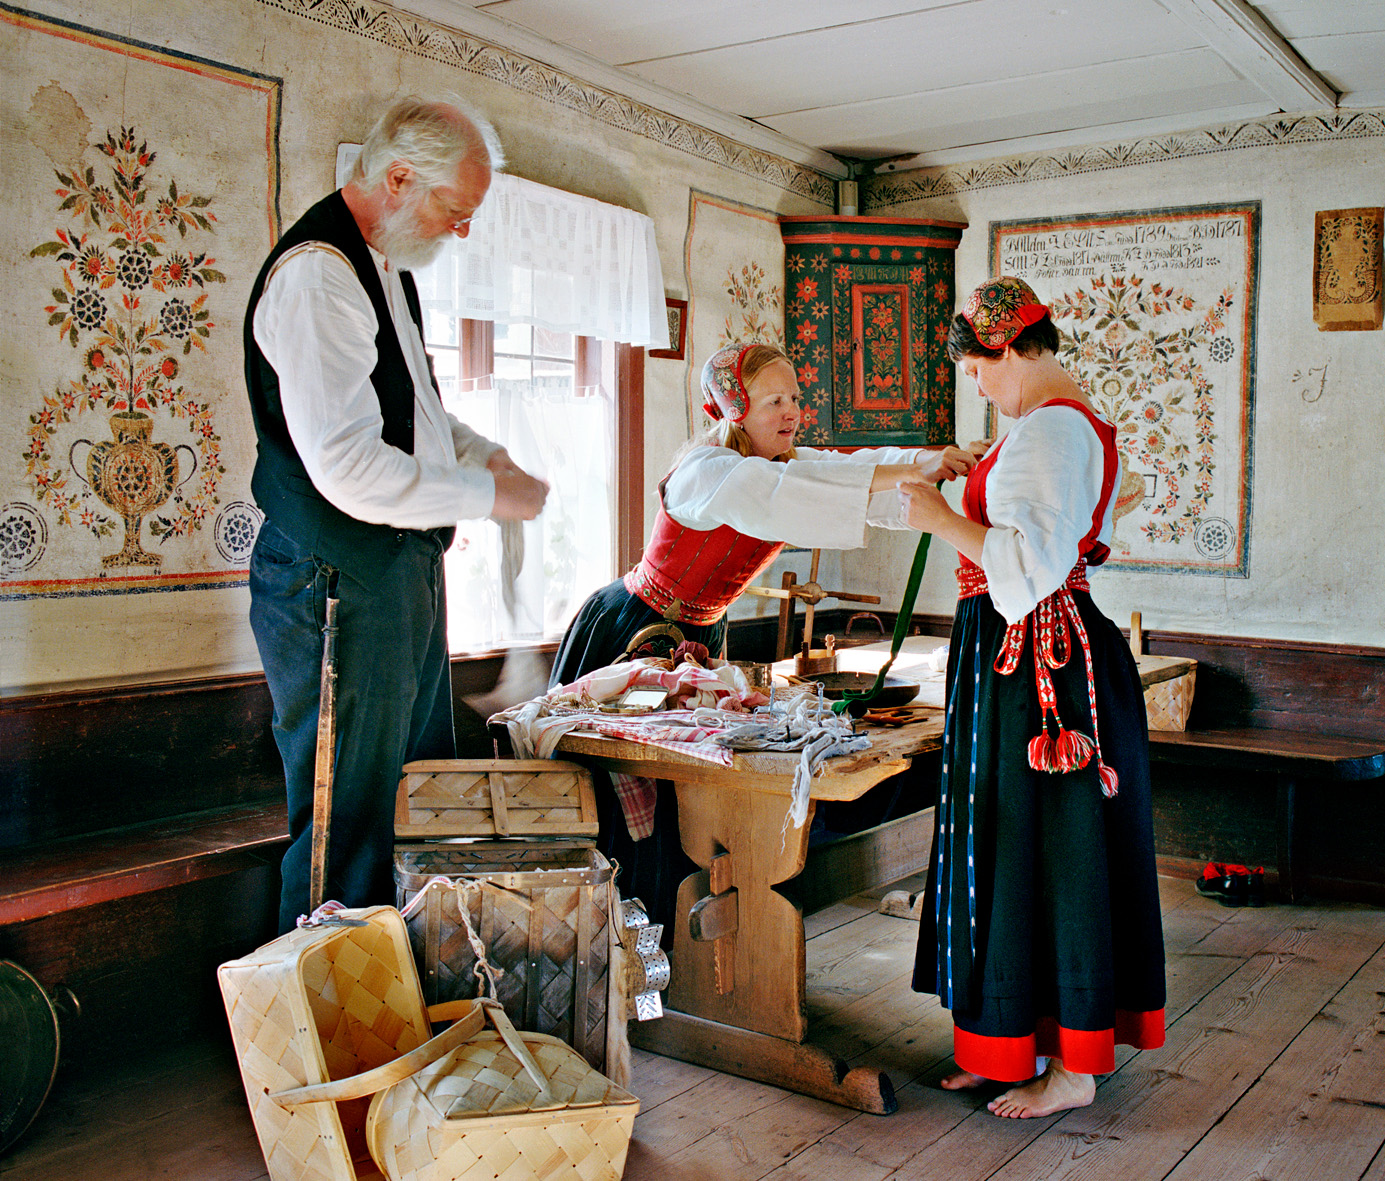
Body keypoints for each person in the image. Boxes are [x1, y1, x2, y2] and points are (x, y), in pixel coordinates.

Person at [244, 96, 550, 931]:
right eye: (456, 209)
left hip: (392, 573)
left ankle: (400, 997)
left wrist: (483, 454)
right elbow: (347, 465)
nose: (462, 230)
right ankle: (328, 1008)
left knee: (410, 803)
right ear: (401, 177)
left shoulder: (385, 268)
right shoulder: (318, 275)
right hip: (334, 579)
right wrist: (488, 497)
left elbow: (412, 414)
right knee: (348, 831)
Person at [548, 340, 977, 930]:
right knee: (628, 790)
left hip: (697, 638)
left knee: (689, 792)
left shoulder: (779, 464)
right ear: (734, 408)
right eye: (774, 400)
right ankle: (619, 934)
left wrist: (934, 464)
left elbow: (838, 471)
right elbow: (797, 487)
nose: (792, 411)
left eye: (795, 398)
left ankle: (687, 933)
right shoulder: (709, 470)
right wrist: (913, 468)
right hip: (633, 632)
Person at [898, 277, 1166, 1119]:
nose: (979, 385)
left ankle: (1073, 1069)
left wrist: (938, 516)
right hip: (1025, 656)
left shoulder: (1052, 427)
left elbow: (1028, 565)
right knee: (1015, 847)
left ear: (1013, 348)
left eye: (980, 369)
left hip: (1041, 668)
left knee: (1048, 847)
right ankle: (1011, 1045)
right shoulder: (1056, 425)